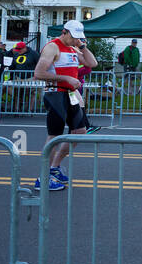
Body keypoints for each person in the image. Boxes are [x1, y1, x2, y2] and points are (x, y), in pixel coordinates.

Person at [31, 20, 97, 191]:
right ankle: (43, 177)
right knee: (54, 135)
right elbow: (38, 73)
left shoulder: (73, 48)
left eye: (79, 38)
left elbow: (92, 63)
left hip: (70, 95)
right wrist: (66, 78)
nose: (76, 40)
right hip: (56, 94)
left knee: (80, 132)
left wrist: (82, 47)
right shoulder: (53, 47)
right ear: (64, 32)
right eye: (74, 37)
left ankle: (54, 167)